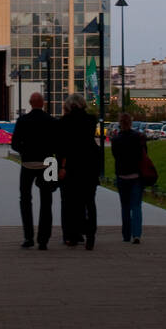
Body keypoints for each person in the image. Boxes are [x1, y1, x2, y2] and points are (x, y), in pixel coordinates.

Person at [11, 91, 57, 249]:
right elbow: (57, 145)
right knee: (47, 201)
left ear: (30, 104)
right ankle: (43, 240)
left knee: (25, 200)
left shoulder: (22, 121)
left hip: (27, 164)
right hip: (48, 164)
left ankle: (28, 237)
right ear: (43, 103)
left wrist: (25, 151)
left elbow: (14, 144)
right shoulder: (51, 121)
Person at [57, 93, 100, 250]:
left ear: (69, 106)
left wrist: (61, 167)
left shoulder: (64, 122)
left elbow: (63, 148)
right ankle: (90, 236)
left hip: (72, 168)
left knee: (72, 202)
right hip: (89, 166)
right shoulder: (91, 120)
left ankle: (73, 236)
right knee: (89, 202)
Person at [111, 112, 147, 244]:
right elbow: (144, 155)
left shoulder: (115, 140)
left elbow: (115, 156)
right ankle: (136, 234)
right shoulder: (138, 137)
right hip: (136, 175)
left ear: (120, 123)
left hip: (122, 175)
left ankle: (126, 234)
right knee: (136, 206)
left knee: (125, 207)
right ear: (131, 123)